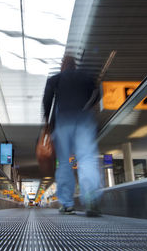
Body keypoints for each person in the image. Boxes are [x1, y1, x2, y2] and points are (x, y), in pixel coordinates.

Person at [42, 55, 102, 217]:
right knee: (87, 157)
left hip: (63, 123)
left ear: (62, 66)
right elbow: (98, 94)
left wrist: (47, 121)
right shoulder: (87, 78)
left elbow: (47, 100)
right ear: (75, 66)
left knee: (63, 163)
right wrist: (88, 107)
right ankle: (90, 196)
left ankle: (67, 204)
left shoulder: (56, 79)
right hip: (84, 120)